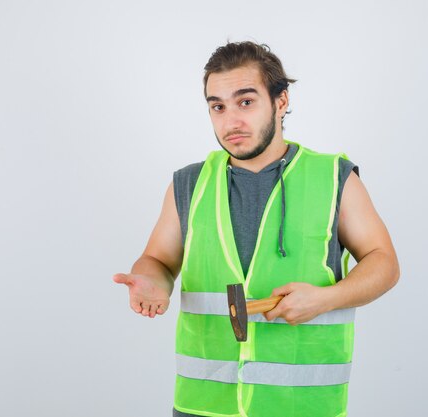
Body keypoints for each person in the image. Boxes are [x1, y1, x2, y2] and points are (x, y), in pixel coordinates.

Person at [113, 41, 400, 417]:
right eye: (218, 106)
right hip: (203, 405)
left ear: (281, 101)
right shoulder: (189, 183)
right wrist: (150, 280)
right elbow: (158, 260)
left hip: (302, 407)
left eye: (245, 102)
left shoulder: (333, 177)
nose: (230, 121)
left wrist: (326, 299)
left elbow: (384, 263)